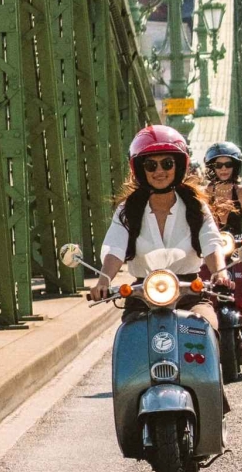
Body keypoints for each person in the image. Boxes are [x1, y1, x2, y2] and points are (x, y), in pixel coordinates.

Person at [90, 125, 230, 331]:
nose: (159, 171)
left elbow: (211, 242)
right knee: (130, 338)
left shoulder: (195, 207)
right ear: (139, 168)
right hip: (142, 296)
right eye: (150, 165)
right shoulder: (128, 210)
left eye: (167, 163)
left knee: (206, 329)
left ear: (179, 166)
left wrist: (219, 272)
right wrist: (103, 280)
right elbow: (115, 247)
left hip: (189, 294)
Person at [202, 141, 242, 238]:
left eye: (228, 164)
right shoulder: (204, 193)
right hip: (211, 248)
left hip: (238, 249)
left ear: (235, 166)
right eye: (218, 165)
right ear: (212, 168)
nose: (224, 169)